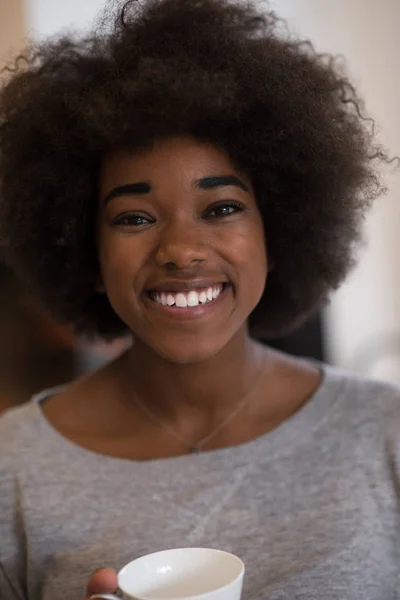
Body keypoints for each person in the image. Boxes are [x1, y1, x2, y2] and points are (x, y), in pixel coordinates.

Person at [0, 0, 398, 598]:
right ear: (86, 254)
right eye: (134, 217)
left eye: (222, 209)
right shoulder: (14, 471)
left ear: (279, 230)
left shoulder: (384, 434)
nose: (181, 250)